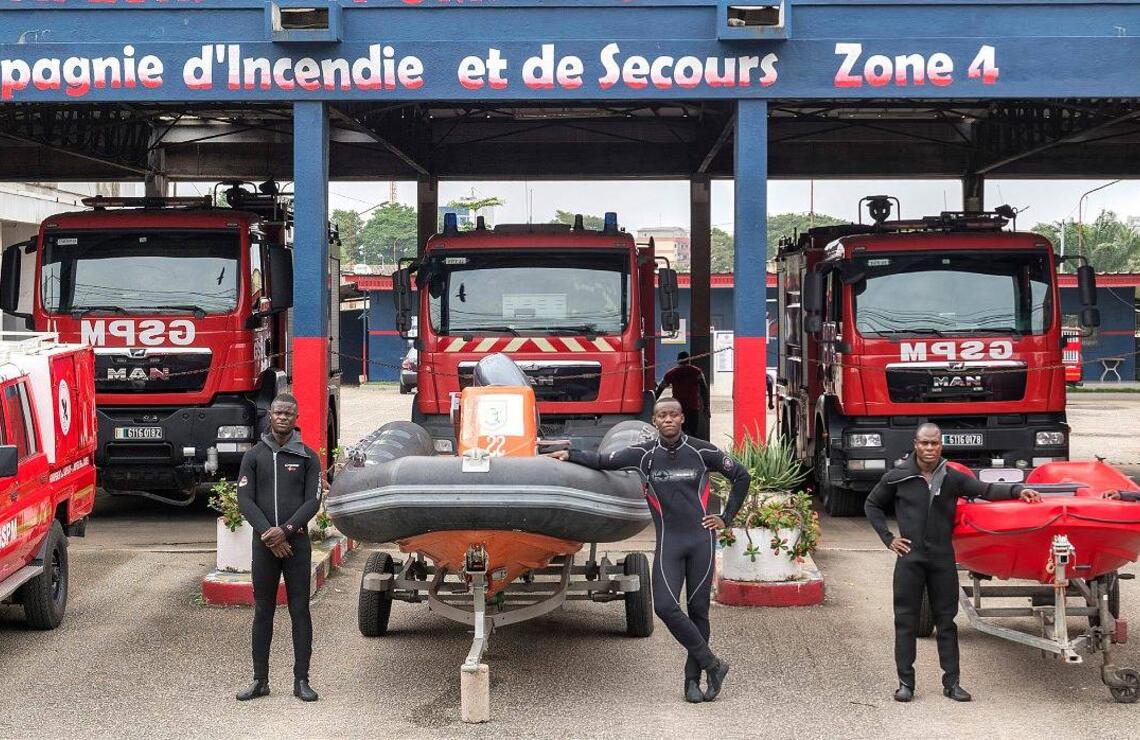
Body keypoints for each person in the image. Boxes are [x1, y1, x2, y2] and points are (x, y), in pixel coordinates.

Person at [549, 398, 750, 703]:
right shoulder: (644, 455)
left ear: (682, 418)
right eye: (661, 415)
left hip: (701, 541)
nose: (668, 419)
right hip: (670, 541)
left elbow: (741, 476)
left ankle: (692, 681)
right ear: (655, 422)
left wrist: (726, 517)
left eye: (673, 414)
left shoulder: (701, 451)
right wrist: (571, 455)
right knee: (665, 607)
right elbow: (604, 461)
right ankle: (713, 663)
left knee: (698, 612)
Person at [864, 423, 1042, 703]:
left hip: (942, 559)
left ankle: (952, 683)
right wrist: (889, 539)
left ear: (941, 445)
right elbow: (871, 505)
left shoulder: (952, 478)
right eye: (924, 443)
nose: (929, 448)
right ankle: (905, 684)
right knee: (905, 621)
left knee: (946, 622)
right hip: (910, 559)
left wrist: (1018, 490)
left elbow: (985, 489)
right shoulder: (897, 476)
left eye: (934, 443)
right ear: (915, 444)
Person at [234, 393, 322, 703]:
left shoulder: (309, 457)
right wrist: (267, 534)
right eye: (278, 412)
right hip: (264, 546)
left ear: (296, 418)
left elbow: (313, 501)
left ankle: (302, 680)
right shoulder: (254, 455)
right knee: (263, 611)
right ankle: (260, 680)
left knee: (300, 610)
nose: (283, 417)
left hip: (295, 544)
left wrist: (285, 531)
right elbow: (244, 499)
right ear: (270, 415)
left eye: (289, 413)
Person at [655, 351, 711, 437]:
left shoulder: (672, 373)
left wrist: (652, 403)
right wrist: (706, 406)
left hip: (678, 408)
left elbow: (660, 389)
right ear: (689, 360)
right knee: (693, 433)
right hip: (693, 407)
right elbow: (704, 389)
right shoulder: (696, 372)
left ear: (678, 360)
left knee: (678, 433)